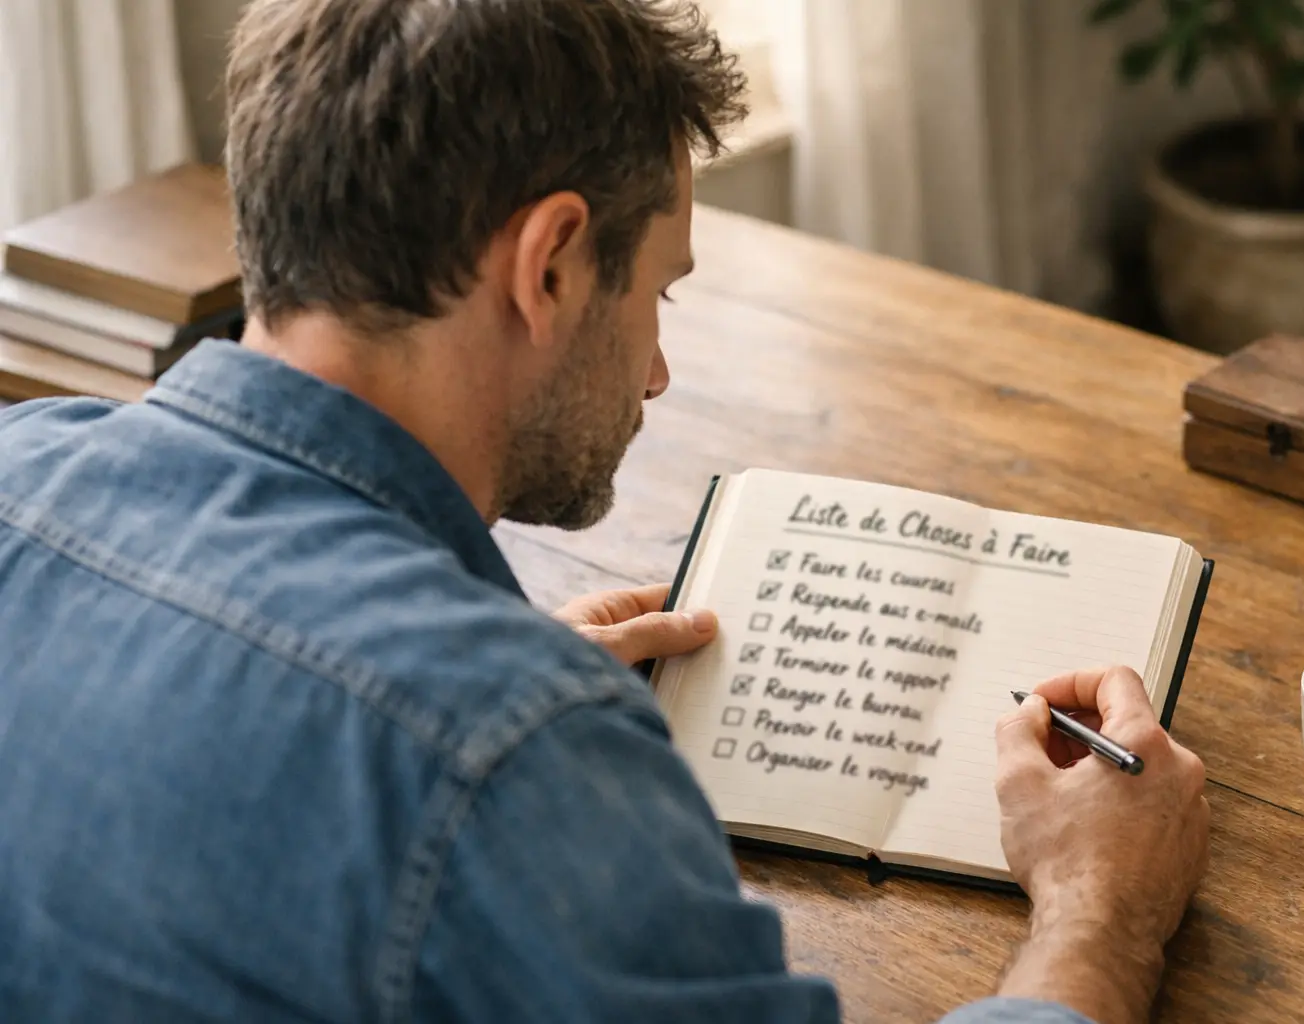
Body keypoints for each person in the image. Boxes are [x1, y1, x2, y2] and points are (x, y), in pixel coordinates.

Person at [0, 1, 1210, 1021]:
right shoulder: (515, 760)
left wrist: (475, 687)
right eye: (660, 295)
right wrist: (1101, 914)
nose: (656, 375)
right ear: (553, 263)